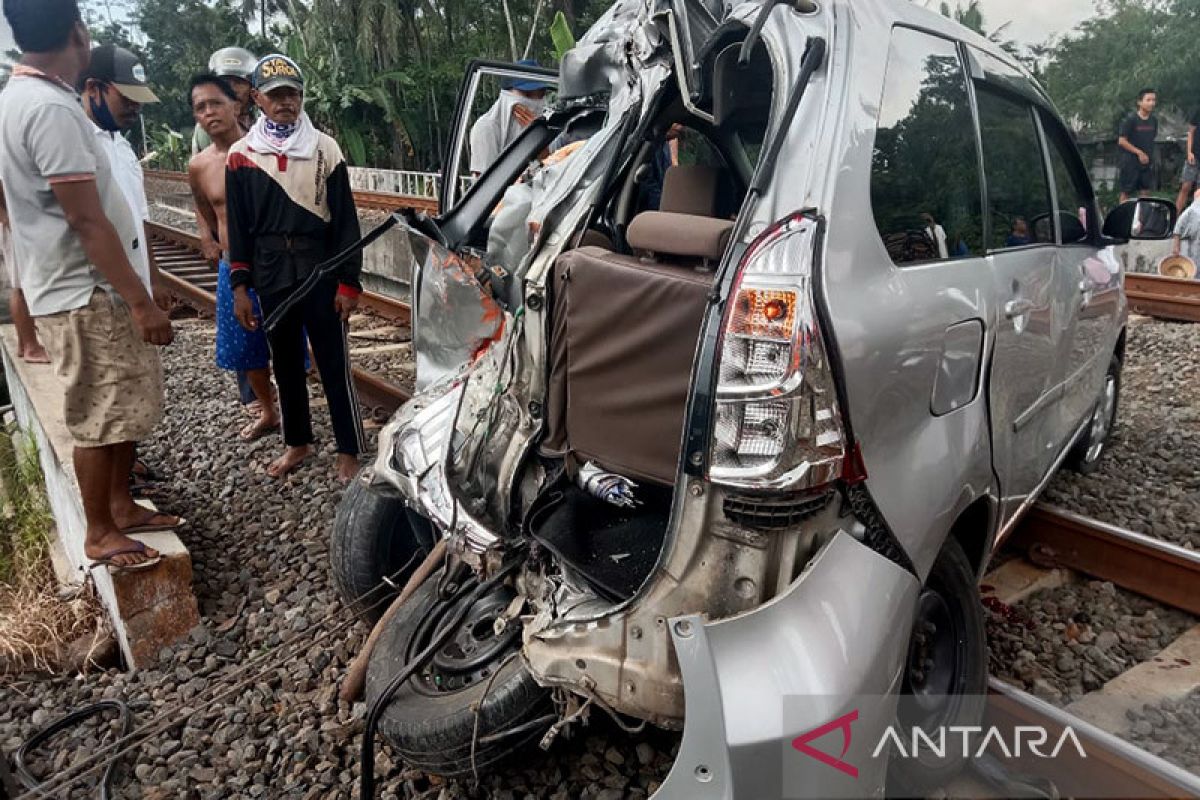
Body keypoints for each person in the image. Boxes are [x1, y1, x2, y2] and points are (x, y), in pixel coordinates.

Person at [0, 0, 178, 570]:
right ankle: (101, 530)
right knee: (100, 416)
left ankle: (121, 506)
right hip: (86, 294)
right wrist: (139, 300)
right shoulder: (49, 109)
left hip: (81, 289)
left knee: (121, 408)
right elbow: (84, 219)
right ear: (78, 31)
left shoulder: (18, 100)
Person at [225, 54, 365, 481]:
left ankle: (349, 447)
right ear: (257, 100)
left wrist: (349, 283)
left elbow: (345, 220)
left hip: (318, 267)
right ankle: (297, 441)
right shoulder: (241, 155)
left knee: (332, 360)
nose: (285, 102)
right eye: (275, 95)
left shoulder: (324, 147)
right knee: (284, 360)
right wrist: (240, 286)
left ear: (301, 97)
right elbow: (238, 227)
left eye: (292, 94)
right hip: (271, 270)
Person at [187, 72, 279, 440]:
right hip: (234, 268)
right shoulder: (199, 166)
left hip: (275, 264)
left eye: (216, 103)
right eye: (200, 107)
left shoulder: (266, 150)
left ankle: (295, 411)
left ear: (236, 106)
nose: (210, 112)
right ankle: (268, 411)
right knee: (247, 348)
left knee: (291, 342)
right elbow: (207, 211)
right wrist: (211, 240)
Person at [193, 46, 264, 413]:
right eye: (229, 85)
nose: (235, 93)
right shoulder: (201, 151)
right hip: (232, 256)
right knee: (241, 329)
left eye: (240, 85)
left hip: (268, 255)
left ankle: (281, 397)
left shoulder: (266, 138)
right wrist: (208, 237)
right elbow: (203, 201)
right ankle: (253, 399)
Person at [469, 59, 553, 175]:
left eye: (541, 95)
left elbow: (550, 172)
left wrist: (539, 139)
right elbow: (486, 184)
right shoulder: (486, 128)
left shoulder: (547, 128)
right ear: (507, 95)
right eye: (527, 94)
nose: (535, 101)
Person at [0, 186, 49, 362]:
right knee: (21, 286)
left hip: (19, 222)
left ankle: (24, 343)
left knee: (22, 285)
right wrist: (7, 220)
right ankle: (31, 347)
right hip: (15, 225)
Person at [1117, 88, 1158, 204]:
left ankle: (1142, 220)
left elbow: (1152, 138)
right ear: (1139, 102)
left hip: (1146, 163)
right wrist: (1139, 152)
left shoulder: (1154, 120)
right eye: (1148, 100)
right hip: (1130, 162)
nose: (1151, 103)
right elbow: (1122, 141)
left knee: (1145, 193)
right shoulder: (1130, 120)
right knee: (1126, 192)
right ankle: (1122, 219)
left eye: (1153, 100)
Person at [1177, 108, 1200, 215]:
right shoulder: (1198, 110)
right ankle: (1174, 217)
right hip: (1194, 155)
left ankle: (1195, 219)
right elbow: (1191, 132)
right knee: (1185, 186)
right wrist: (1189, 152)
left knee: (1198, 191)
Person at [1171, 185, 1200, 269]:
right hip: (1189, 244)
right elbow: (1178, 228)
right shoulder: (1191, 211)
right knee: (1190, 267)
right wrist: (1176, 247)